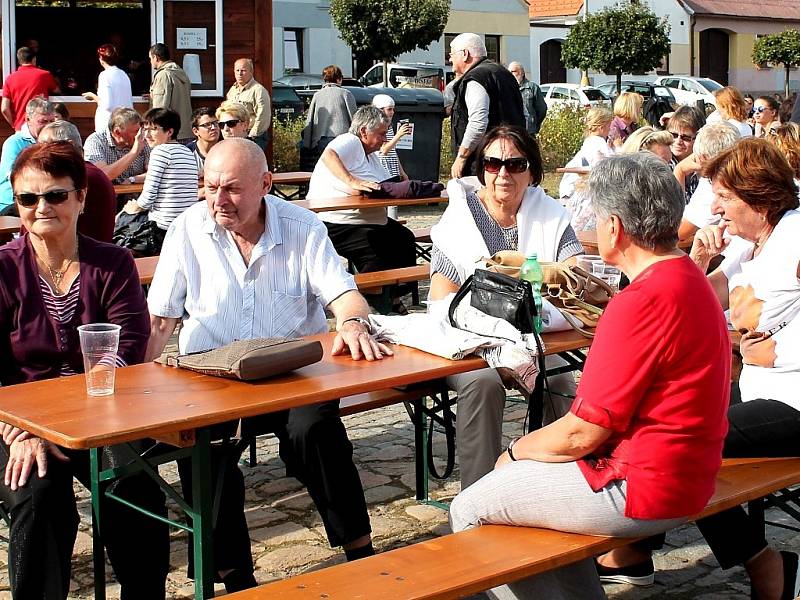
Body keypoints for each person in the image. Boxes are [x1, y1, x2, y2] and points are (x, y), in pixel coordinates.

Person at [448, 151, 731, 600]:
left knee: (473, 505)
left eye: (598, 217)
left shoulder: (640, 301)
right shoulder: (690, 278)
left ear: (614, 227)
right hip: (690, 471)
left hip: (644, 484)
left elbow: (583, 433)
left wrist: (514, 454)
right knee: (525, 500)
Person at [145, 138, 386, 593]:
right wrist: (134, 387)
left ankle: (358, 547)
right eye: (210, 186)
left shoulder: (302, 226)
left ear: (265, 184)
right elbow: (160, 319)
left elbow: (345, 294)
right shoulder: (187, 229)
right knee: (206, 451)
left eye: (232, 188)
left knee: (315, 431)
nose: (219, 200)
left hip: (292, 371)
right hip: (212, 375)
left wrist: (353, 322)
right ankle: (234, 575)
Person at [0, 141, 169, 599]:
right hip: (16, 423)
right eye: (28, 199)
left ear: (81, 198)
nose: (41, 208)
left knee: (134, 488)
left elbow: (130, 345)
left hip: (102, 412)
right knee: (38, 495)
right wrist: (26, 426)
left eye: (55, 195)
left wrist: (76, 415)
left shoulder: (111, 263)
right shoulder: (2, 269)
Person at [429, 125, 583, 488]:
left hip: (534, 336)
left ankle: (563, 483)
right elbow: (440, 300)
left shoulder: (548, 212)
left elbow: (577, 272)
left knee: (559, 378)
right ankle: (478, 499)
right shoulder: (460, 219)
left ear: (532, 171)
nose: (503, 173)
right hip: (469, 343)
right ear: (481, 168)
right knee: (483, 384)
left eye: (515, 164)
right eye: (493, 163)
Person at [685, 138, 800, 600]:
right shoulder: (748, 247)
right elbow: (692, 302)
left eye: (725, 196)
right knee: (660, 426)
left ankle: (768, 567)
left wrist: (783, 349)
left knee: (682, 441)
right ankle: (634, 553)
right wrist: (697, 258)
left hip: (792, 401)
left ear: (759, 196)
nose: (715, 207)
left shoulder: (793, 236)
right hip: (754, 393)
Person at [307, 105, 416, 314]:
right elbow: (329, 155)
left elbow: (383, 185)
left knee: (404, 239)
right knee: (375, 250)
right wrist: (352, 181)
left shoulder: (372, 155)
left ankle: (392, 296)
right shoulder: (350, 140)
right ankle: (366, 302)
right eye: (381, 134)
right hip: (337, 220)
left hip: (367, 220)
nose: (384, 139)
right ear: (364, 131)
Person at [119, 108, 198, 253]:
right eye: (145, 129)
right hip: (186, 224)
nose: (147, 135)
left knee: (119, 222)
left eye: (153, 129)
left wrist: (132, 208)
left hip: (162, 227)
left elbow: (147, 199)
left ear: (169, 132)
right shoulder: (187, 151)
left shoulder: (160, 152)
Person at [449, 33, 524, 178]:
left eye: (452, 54)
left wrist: (462, 157)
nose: (449, 58)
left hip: (484, 164)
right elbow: (522, 114)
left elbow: (478, 123)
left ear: (465, 54)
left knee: (477, 200)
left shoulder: (476, 79)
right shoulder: (504, 74)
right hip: (511, 158)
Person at [38, 120, 117, 242]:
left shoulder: (84, 176)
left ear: (68, 146)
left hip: (82, 256)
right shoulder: (89, 173)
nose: (39, 152)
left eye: (45, 146)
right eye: (38, 146)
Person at [677, 121, 740, 244]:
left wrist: (679, 171)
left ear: (702, 158)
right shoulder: (742, 176)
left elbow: (678, 232)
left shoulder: (713, 188)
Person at [0, 97, 56, 214]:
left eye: (51, 121)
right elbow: (13, 176)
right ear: (28, 119)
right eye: (43, 121)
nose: (48, 126)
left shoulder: (55, 140)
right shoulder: (14, 143)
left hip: (44, 200)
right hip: (13, 204)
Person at [300, 64, 357, 167]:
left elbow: (310, 120)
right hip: (342, 139)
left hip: (320, 140)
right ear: (339, 79)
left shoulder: (317, 95)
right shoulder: (345, 94)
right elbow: (355, 119)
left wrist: (307, 144)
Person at [84, 106, 150, 185]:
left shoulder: (143, 139)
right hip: (108, 195)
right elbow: (101, 176)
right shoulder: (96, 141)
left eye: (141, 130)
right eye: (136, 131)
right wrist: (134, 152)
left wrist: (133, 179)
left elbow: (156, 173)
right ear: (117, 132)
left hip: (139, 194)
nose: (140, 134)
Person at [559, 106, 613, 200]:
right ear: (602, 127)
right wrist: (618, 146)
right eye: (609, 126)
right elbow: (612, 166)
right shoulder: (599, 143)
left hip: (569, 188)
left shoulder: (589, 141)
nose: (610, 129)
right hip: (581, 191)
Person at [1, 46, 59, 131]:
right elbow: (57, 91)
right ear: (34, 59)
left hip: (21, 127)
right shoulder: (44, 75)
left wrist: (15, 125)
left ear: (19, 61)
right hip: (41, 128)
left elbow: (4, 108)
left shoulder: (10, 79)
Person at [82, 43, 134, 134]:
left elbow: (107, 105)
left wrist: (93, 96)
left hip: (109, 126)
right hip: (124, 124)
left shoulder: (104, 75)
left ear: (101, 59)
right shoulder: (124, 74)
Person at [148, 43, 193, 141]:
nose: (150, 62)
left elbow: (159, 109)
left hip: (171, 135)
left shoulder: (163, 75)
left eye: (150, 58)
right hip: (186, 131)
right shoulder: (181, 73)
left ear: (156, 57)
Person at [226, 58, 271, 150]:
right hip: (236, 135)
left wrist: (252, 135)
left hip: (253, 136)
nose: (240, 73)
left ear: (251, 72)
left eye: (243, 70)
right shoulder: (233, 90)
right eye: (237, 70)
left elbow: (263, 116)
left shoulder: (258, 90)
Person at [666, 105, 705, 203]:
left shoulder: (704, 164)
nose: (678, 141)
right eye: (674, 135)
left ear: (698, 139)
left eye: (685, 137)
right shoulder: (662, 165)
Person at [371, 94, 410, 180]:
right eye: (389, 109)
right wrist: (399, 135)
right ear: (380, 110)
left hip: (393, 169)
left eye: (393, 109)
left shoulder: (389, 126)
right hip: (383, 168)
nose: (392, 112)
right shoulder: (377, 127)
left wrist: (402, 172)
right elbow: (384, 150)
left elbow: (392, 152)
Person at [508, 61, 547, 136]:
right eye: (509, 72)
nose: (510, 74)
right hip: (512, 131)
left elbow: (542, 109)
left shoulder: (532, 88)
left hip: (528, 131)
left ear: (522, 73)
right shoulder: (507, 88)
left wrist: (534, 122)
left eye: (513, 71)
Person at [186, 106, 220, 175]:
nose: (213, 128)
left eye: (216, 123)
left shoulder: (226, 149)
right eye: (207, 125)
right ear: (195, 131)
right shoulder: (187, 153)